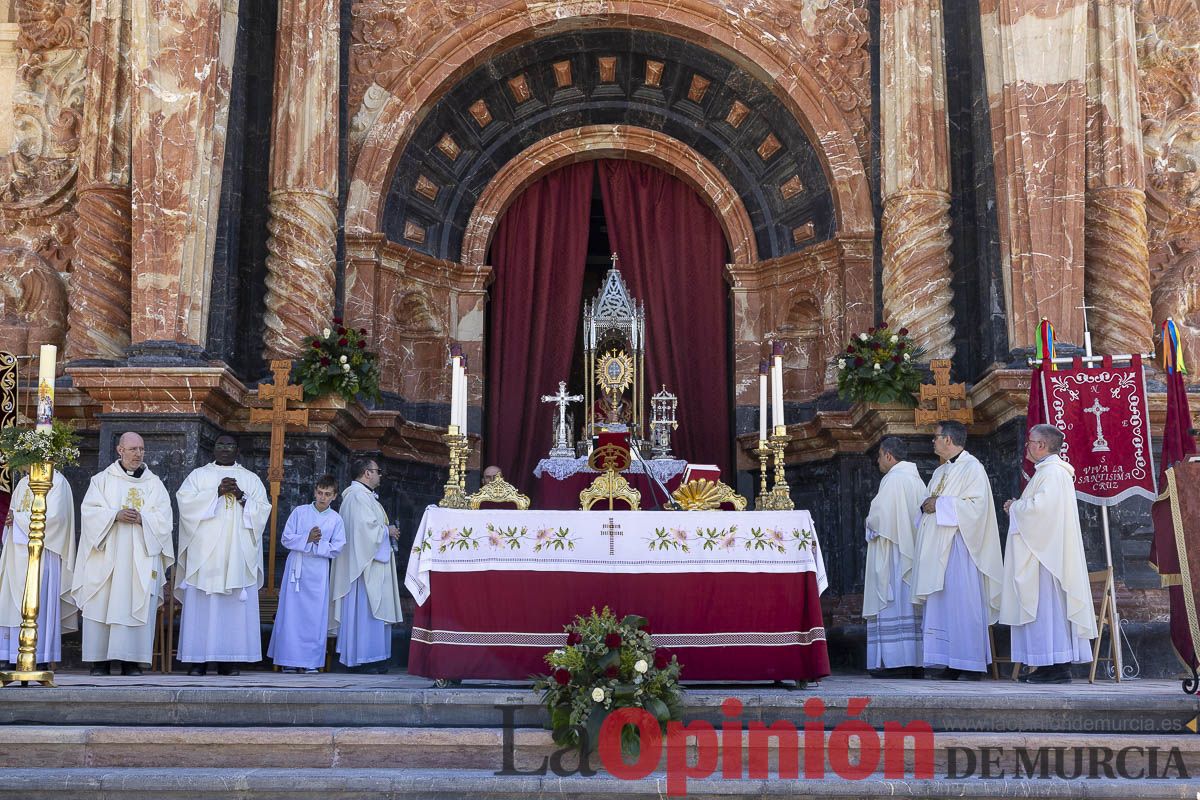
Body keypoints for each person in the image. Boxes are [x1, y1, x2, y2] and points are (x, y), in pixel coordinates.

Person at [1001, 424, 1097, 683]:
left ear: (1041, 445)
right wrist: (1020, 507)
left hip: (1047, 559)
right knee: (1044, 611)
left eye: (1030, 442)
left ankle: (1057, 667)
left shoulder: (1053, 473)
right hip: (1042, 554)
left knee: (1048, 610)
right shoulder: (1047, 473)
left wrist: (1015, 507)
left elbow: (1041, 511)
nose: (1027, 447)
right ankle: (1046, 665)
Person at [72, 432, 174, 676]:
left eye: (141, 449)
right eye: (132, 449)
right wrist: (114, 515)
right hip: (108, 557)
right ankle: (99, 662)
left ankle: (131, 662)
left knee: (135, 600)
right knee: (102, 601)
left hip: (140, 557)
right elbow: (89, 513)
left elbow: (165, 519)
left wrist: (143, 518)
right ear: (119, 450)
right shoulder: (102, 481)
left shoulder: (154, 484)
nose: (138, 454)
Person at [911, 420, 1004, 680]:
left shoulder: (973, 468)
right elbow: (929, 502)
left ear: (948, 440)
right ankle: (949, 661)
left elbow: (977, 507)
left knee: (963, 604)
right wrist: (927, 505)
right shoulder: (940, 472)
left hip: (960, 548)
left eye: (935, 437)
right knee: (944, 605)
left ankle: (971, 664)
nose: (933, 442)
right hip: (937, 548)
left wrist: (939, 504)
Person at [175, 435, 270, 676]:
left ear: (237, 449)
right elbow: (185, 505)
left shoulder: (250, 479)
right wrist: (215, 493)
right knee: (203, 605)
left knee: (231, 608)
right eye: (220, 445)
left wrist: (241, 496)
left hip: (236, 554)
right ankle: (198, 661)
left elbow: (262, 513)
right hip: (205, 554)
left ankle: (229, 660)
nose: (225, 449)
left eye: (230, 445)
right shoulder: (198, 476)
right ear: (213, 449)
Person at [329, 458, 402, 673]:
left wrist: (385, 530)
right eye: (377, 471)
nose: (380, 475)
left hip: (368, 562)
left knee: (371, 610)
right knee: (365, 609)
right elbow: (364, 530)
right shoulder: (358, 497)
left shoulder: (363, 497)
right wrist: (386, 531)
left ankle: (374, 658)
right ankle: (363, 658)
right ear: (366, 473)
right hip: (362, 568)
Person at [267, 475, 346, 673]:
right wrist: (306, 538)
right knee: (292, 614)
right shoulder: (299, 512)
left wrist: (318, 542)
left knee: (314, 615)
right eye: (320, 492)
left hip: (318, 571)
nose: (322, 497)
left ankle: (310, 661)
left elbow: (337, 548)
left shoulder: (336, 519)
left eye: (327, 494)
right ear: (315, 492)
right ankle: (289, 660)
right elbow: (286, 538)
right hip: (297, 568)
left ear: (334, 496)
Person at [0, 466, 77, 668]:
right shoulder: (23, 483)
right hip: (16, 551)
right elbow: (14, 511)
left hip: (43, 551)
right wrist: (10, 518)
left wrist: (17, 519)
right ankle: (11, 656)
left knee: (39, 600)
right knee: (11, 603)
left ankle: (39, 656)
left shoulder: (57, 482)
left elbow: (56, 519)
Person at [862, 437, 926, 677]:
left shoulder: (892, 480)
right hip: (912, 554)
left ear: (888, 455)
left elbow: (879, 520)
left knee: (893, 604)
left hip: (893, 555)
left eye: (879, 456)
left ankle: (895, 663)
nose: (878, 461)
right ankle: (915, 661)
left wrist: (867, 523)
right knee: (909, 607)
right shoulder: (916, 480)